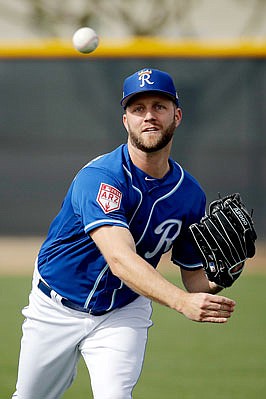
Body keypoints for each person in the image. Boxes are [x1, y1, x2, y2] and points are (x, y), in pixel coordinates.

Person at [12, 68, 235, 399]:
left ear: (177, 115)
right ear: (126, 121)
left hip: (122, 311)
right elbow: (119, 258)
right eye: (138, 108)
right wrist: (180, 302)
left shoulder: (189, 194)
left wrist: (223, 274)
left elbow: (194, 280)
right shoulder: (101, 177)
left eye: (159, 106)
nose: (149, 117)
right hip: (55, 306)